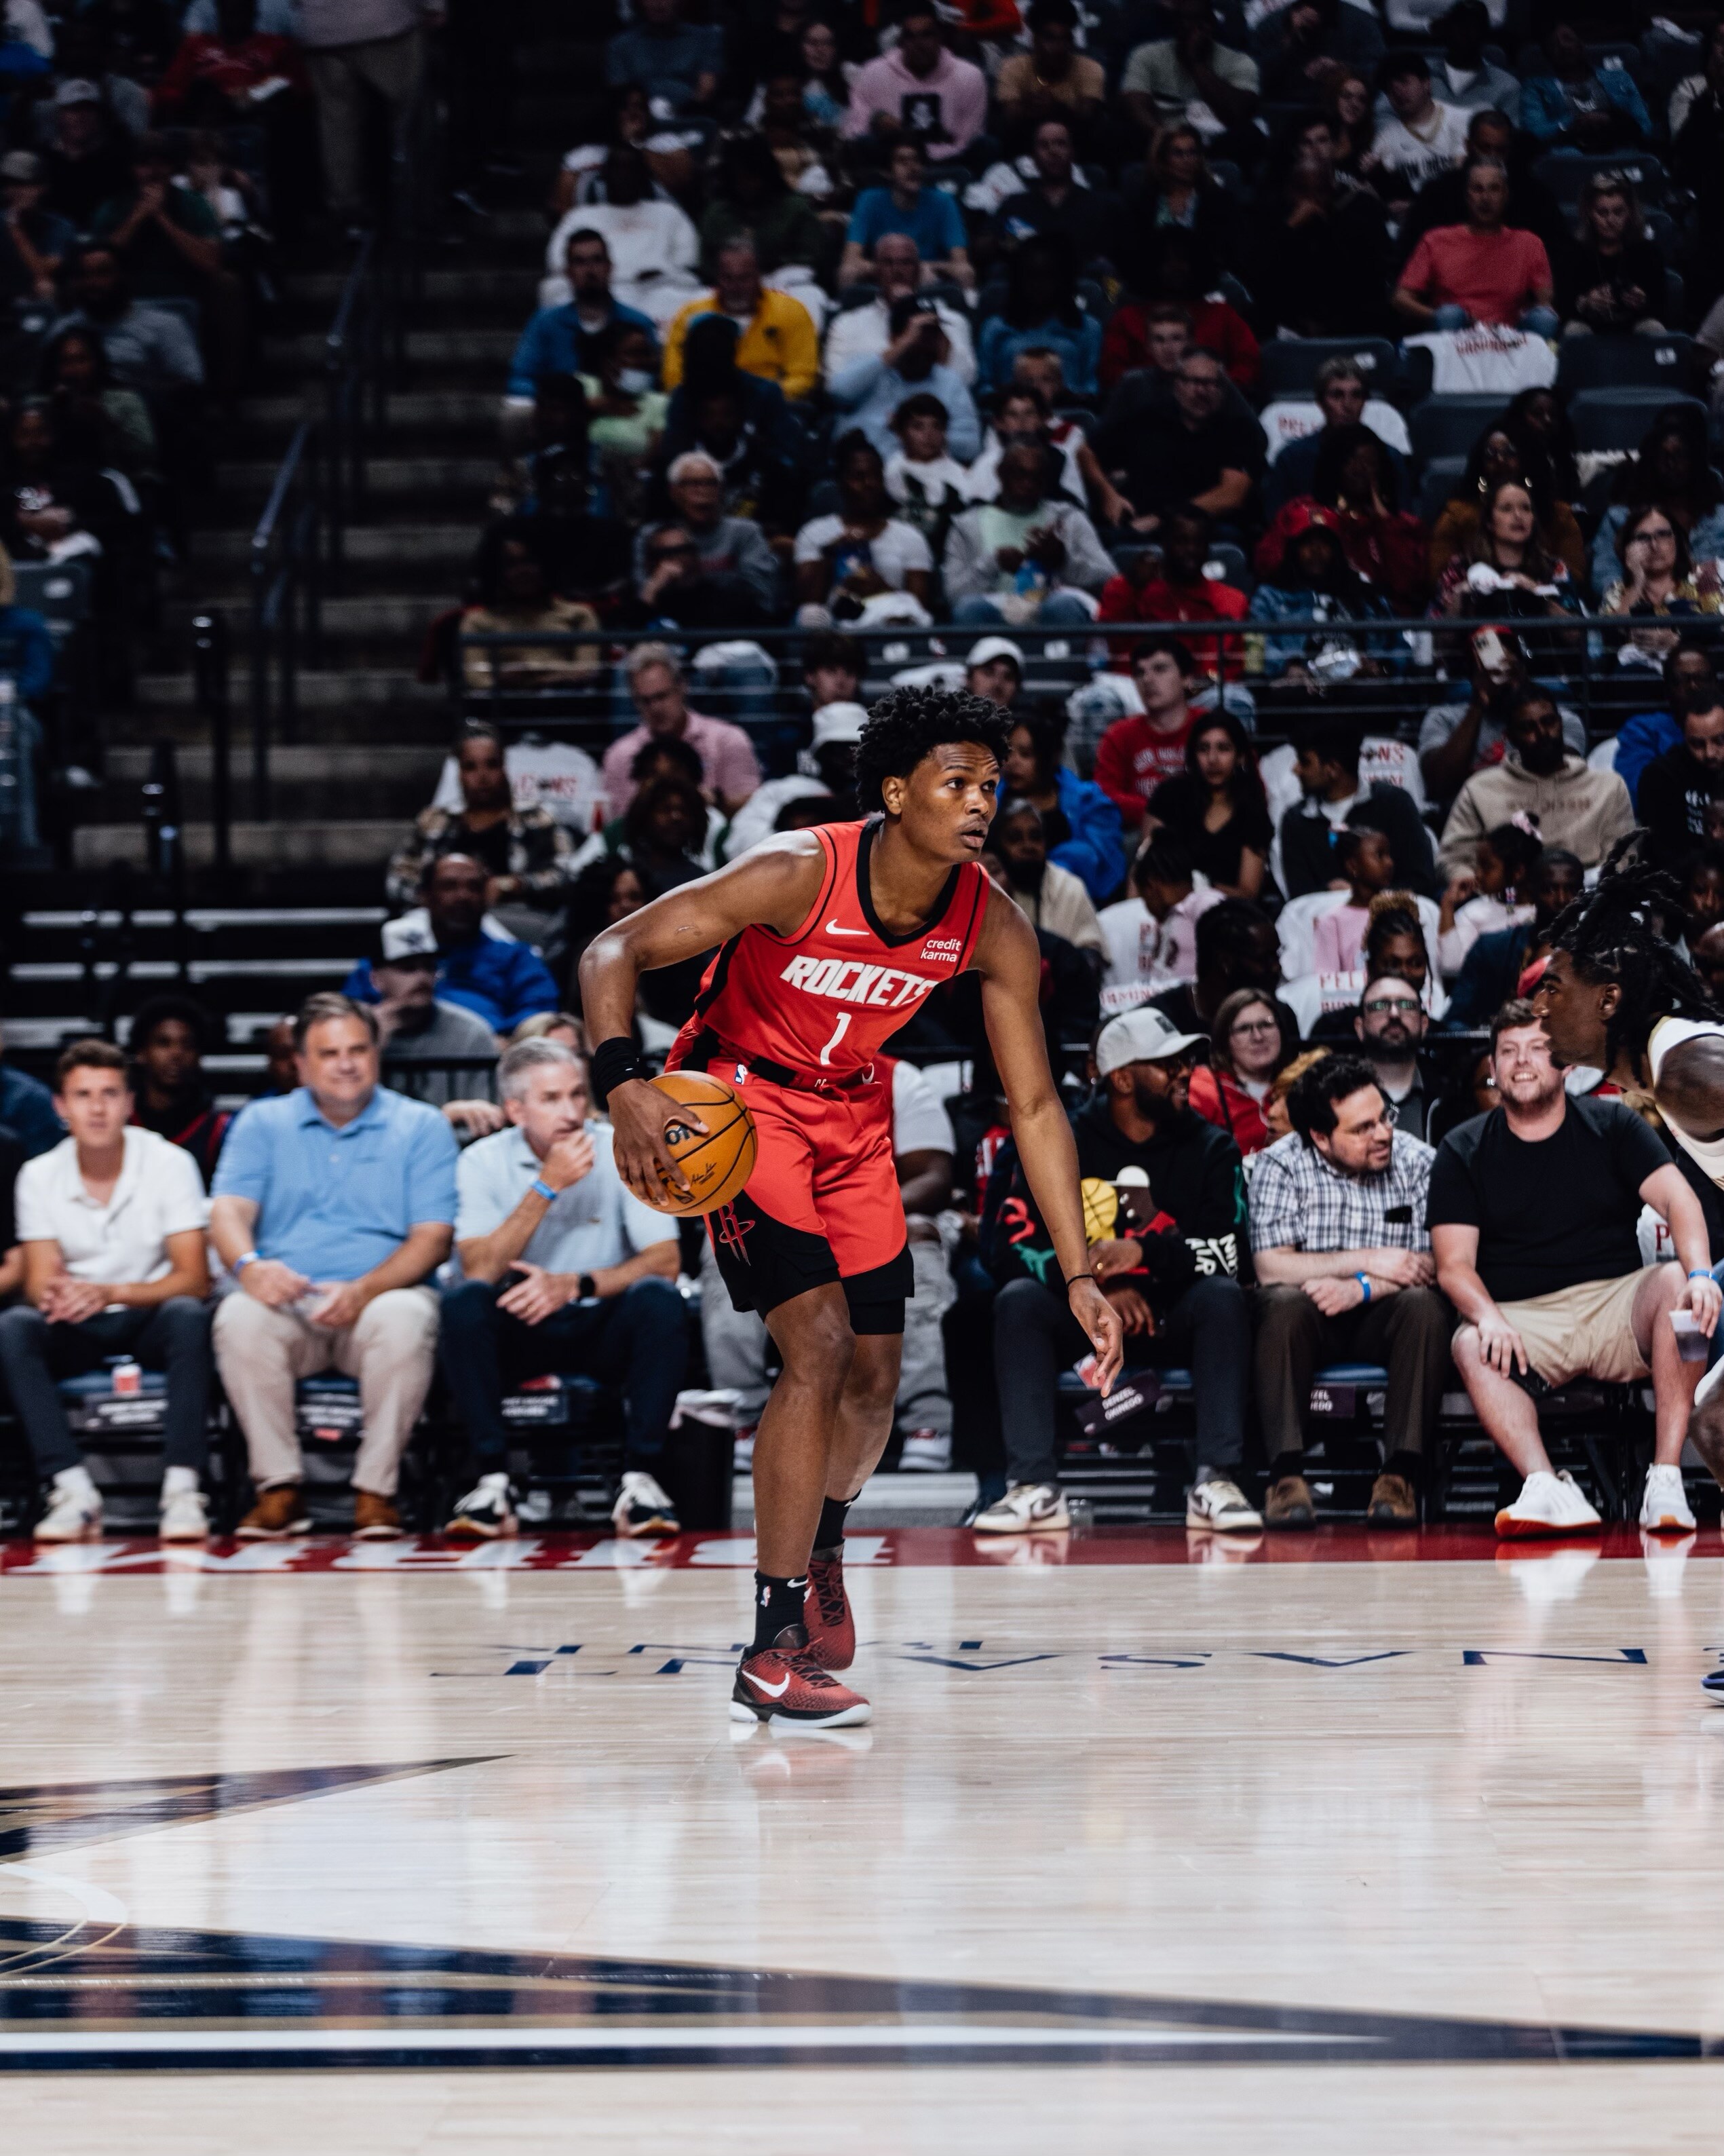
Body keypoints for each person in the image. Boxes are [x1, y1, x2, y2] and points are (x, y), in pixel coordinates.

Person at [579, 686, 1124, 1727]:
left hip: (856, 1119)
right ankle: (772, 1639)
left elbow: (1039, 1104)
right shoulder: (798, 870)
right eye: (955, 783)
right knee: (817, 1344)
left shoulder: (993, 925)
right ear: (893, 791)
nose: (979, 803)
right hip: (740, 1108)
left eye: (990, 785)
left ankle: (820, 1541)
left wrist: (1083, 1270)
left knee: (873, 1379)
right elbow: (614, 950)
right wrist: (623, 1083)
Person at [1430, 1000, 1717, 1538]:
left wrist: (1701, 1273)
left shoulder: (1612, 1122)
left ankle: (1666, 1478)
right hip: (1522, 1318)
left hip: (1613, 1304)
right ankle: (1546, 1486)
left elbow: (1680, 1202)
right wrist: (1487, 1316)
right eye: (1508, 1052)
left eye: (1538, 1049)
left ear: (1564, 1063)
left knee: (1677, 1286)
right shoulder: (1461, 1147)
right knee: (1469, 1340)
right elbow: (1453, 1266)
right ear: (1491, 1068)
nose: (1521, 1063)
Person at [974, 1004, 1257, 1535]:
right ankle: (1033, 1485)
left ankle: (1216, 1478)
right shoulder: (1060, 1141)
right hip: (1083, 1323)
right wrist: (1100, 1284)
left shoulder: (1212, 1146)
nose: (1184, 1073)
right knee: (1016, 1299)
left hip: (1172, 1316)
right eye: (1167, 1063)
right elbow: (1007, 1246)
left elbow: (1233, 1251)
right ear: (1122, 1077)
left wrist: (1145, 1258)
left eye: (1185, 1061)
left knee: (1223, 1295)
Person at [209, 994, 458, 1542]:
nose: (346, 1063)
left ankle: (376, 1492)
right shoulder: (260, 1122)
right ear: (299, 1063)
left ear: (376, 1052)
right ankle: (277, 1488)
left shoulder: (420, 1125)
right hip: (288, 1300)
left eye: (357, 1049)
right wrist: (251, 1267)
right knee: (238, 1315)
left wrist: (366, 1287)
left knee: (405, 1316)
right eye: (329, 1053)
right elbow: (227, 1210)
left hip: (380, 1296)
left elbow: (434, 1238)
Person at [438, 1038, 686, 1542]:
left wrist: (575, 1285)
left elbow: (665, 1260)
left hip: (597, 1318)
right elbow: (479, 1268)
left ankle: (640, 1480)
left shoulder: (622, 1144)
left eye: (577, 1094)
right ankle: (493, 1481)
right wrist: (546, 1186)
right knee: (464, 1304)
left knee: (660, 1300)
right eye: (551, 1099)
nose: (572, 1111)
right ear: (515, 1109)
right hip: (519, 1320)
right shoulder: (481, 1161)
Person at [0, 1039, 212, 1543]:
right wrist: (59, 1295)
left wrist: (110, 1289)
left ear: (130, 1101)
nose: (97, 1108)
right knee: (14, 1327)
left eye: (110, 1093)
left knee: (190, 1315)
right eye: (83, 1094)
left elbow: (194, 1277)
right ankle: (71, 1488)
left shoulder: (170, 1162)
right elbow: (36, 1283)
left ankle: (183, 1488)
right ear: (60, 1106)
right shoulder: (38, 1174)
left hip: (149, 1312)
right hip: (77, 1321)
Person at [1250, 1051, 1448, 1528]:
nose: (1382, 1134)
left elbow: (1433, 1262)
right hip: (1308, 1317)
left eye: (1383, 1117)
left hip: (1382, 1315)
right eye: (1361, 1129)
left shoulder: (1418, 1161)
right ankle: (1285, 1476)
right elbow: (1270, 1265)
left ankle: (1399, 1475)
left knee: (1426, 1306)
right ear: (1319, 1136)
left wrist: (1360, 1287)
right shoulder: (1279, 1164)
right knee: (1279, 1303)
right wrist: (1366, 1260)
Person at [388, 724, 577, 946]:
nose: (482, 776)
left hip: (514, 918)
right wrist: (436, 896)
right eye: (471, 767)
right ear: (459, 772)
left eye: (492, 765)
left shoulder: (537, 817)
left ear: (504, 768)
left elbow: (567, 873)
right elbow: (397, 878)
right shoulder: (435, 821)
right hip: (444, 921)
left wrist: (513, 885)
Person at [347, 856, 560, 1038]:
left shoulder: (517, 958)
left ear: (487, 897)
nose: (463, 896)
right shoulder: (389, 961)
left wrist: (503, 1040)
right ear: (425, 896)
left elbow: (539, 1015)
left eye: (474, 887)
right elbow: (348, 1016)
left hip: (491, 1062)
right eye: (449, 886)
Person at [1438, 690, 1634, 878]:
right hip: (1505, 899)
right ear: (1511, 737)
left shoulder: (1607, 786)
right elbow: (1453, 858)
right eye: (1527, 728)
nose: (1542, 733)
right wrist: (1479, 883)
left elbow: (1623, 857)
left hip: (1589, 895)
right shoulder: (1480, 789)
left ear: (1561, 723)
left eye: (1549, 722)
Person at [1093, 347, 1264, 539]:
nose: (1201, 391)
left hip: (1205, 533)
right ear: (1177, 385)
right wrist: (1107, 493)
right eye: (1193, 382)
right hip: (1137, 530)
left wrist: (1162, 519)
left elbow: (1231, 496)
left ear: (1223, 389)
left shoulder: (1238, 429)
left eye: (1210, 383)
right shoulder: (1146, 420)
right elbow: (1085, 452)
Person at [942, 441, 1115, 629]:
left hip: (1051, 606)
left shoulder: (1069, 518)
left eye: (1037, 476)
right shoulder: (966, 525)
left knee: (1061, 606)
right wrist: (994, 563)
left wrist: (1062, 561)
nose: (1029, 483)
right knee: (969, 610)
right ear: (1000, 473)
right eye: (1020, 474)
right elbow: (954, 596)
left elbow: (1110, 581)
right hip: (995, 611)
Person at [298, 0, 430, 236]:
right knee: (408, 117)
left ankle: (345, 206)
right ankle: (412, 202)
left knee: (336, 125)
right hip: (387, 21)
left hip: (322, 27)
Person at [1418, 623, 1585, 805]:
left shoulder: (1554, 720)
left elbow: (1564, 776)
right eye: (1486, 669)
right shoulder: (1444, 719)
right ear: (1473, 677)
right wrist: (1478, 705)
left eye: (1509, 666)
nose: (1499, 674)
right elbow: (1438, 785)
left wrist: (1519, 692)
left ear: (1523, 669)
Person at [1392, 157, 1558, 335]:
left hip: (1510, 337)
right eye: (1477, 189)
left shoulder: (1528, 243)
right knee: (1450, 314)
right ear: (1466, 196)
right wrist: (1437, 316)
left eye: (1494, 189)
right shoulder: (1436, 240)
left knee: (1545, 318)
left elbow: (1544, 302)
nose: (1486, 198)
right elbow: (1401, 298)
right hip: (1455, 334)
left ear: (1506, 195)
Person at [1278, 719, 1438, 901]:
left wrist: (1368, 898)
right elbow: (1298, 896)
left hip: (1394, 916)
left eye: (1305, 762)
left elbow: (1421, 880)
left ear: (1333, 769)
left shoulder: (1395, 804)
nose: (1295, 770)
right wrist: (1329, 892)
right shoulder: (1295, 820)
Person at [602, 643, 762, 818]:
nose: (655, 708)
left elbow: (751, 808)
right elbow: (619, 823)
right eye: (645, 701)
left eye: (661, 696)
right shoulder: (620, 756)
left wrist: (713, 802)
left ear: (682, 687)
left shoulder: (728, 739)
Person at [1428, 423, 1586, 594]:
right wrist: (1464, 597)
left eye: (1510, 452)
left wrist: (1536, 593)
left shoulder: (1559, 519)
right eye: (1491, 454)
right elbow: (1438, 589)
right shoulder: (1457, 516)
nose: (1500, 460)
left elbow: (1575, 585)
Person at [362, 919, 503, 1109]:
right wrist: (373, 1044)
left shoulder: (471, 1033)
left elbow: (487, 1116)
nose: (422, 978)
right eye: (408, 968)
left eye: (429, 967)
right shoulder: (356, 1035)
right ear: (376, 980)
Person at [506, 231, 658, 404]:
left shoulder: (638, 322)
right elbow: (519, 379)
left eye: (597, 260)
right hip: (563, 412)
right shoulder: (546, 322)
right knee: (516, 415)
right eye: (580, 262)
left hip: (625, 408)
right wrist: (569, 399)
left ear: (610, 267)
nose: (590, 270)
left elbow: (653, 379)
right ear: (568, 272)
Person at [663, 237, 819, 404]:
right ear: (716, 278)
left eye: (744, 278)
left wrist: (759, 398)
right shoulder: (692, 314)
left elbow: (803, 377)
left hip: (771, 405)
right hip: (704, 409)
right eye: (728, 278)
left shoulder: (791, 311)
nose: (735, 287)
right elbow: (673, 377)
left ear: (759, 276)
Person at [1096, 508, 1249, 677]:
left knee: (1234, 698)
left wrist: (1195, 689)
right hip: (1139, 688)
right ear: (1165, 543)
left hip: (1204, 691)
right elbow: (1110, 638)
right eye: (1181, 541)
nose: (1191, 550)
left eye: (1199, 543)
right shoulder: (1134, 589)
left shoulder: (1232, 600)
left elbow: (1237, 666)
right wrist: (1131, 586)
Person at [828, 295, 981, 464]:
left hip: (925, 477)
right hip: (866, 476)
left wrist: (924, 437)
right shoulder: (871, 367)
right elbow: (837, 392)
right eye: (919, 333)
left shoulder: (949, 381)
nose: (928, 343)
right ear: (895, 338)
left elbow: (970, 446)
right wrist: (901, 347)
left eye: (934, 334)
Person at [1143, 707, 1270, 902]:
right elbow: (1145, 866)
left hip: (1225, 916)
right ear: (1194, 756)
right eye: (1204, 749)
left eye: (1223, 749)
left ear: (1240, 757)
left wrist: (1202, 892)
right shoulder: (1169, 795)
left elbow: (1248, 892)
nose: (1213, 759)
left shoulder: (1253, 811)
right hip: (1165, 907)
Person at [839, 1, 988, 166]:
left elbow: (967, 140)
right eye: (911, 36)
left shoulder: (969, 76)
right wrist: (876, 122)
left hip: (949, 163)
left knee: (987, 146)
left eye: (927, 35)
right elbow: (854, 132)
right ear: (901, 40)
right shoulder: (873, 72)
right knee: (866, 144)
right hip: (892, 166)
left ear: (940, 38)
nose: (919, 44)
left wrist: (931, 151)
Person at [1001, 707, 1124, 905]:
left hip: (1076, 902)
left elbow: (1102, 864)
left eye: (1025, 754)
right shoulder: (988, 800)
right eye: (1008, 752)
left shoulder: (1090, 802)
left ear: (1051, 757)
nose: (1012, 762)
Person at [822, 232, 976, 389]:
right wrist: (899, 348)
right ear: (876, 271)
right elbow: (835, 389)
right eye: (888, 263)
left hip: (934, 406)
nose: (897, 270)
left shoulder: (952, 322)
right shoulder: (847, 324)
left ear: (918, 270)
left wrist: (940, 341)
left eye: (906, 263)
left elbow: (967, 380)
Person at [1430, 476, 1582, 625]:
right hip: (1478, 649)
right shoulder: (1461, 568)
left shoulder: (1554, 569)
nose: (1518, 516)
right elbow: (1437, 641)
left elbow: (1577, 636)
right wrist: (1459, 599)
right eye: (1506, 509)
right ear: (1489, 522)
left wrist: (1538, 594)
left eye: (1526, 508)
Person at [1094, 636, 1204, 830]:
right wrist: (1157, 811)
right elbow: (1103, 795)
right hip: (1140, 834)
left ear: (1187, 678)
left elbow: (1248, 788)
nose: (1148, 679)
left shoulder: (1211, 728)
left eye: (1160, 669)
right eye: (1139, 673)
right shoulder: (1119, 735)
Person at [1098, 831, 1221, 1005]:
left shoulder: (1205, 903)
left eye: (1144, 898)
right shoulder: (1172, 920)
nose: (1147, 908)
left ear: (1152, 885)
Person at [976, 235, 1102, 400]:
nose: (1039, 285)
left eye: (1047, 276)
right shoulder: (995, 328)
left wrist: (1069, 397)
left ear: (1062, 280)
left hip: (1069, 414)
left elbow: (1091, 386)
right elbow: (985, 387)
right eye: (1031, 276)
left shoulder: (1087, 327)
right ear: (1019, 280)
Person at [1121, 0, 1260, 149]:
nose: (1192, 28)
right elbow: (1134, 100)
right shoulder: (1146, 55)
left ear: (1212, 24)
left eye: (1200, 22)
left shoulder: (1239, 62)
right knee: (1121, 133)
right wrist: (1160, 134)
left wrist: (1196, 64)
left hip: (1217, 138)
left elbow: (1237, 112)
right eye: (1185, 21)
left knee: (1248, 135)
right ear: (1174, 25)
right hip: (1162, 134)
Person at [126, 994, 230, 1186]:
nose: (176, 1053)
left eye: (187, 1045)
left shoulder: (219, 1129)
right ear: (141, 1053)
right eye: (163, 1043)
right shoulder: (122, 1122)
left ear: (199, 1056)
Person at [840, 134, 970, 288]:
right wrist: (894, 269)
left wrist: (922, 269)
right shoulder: (869, 200)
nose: (912, 168)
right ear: (888, 172)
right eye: (902, 162)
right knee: (847, 272)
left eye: (916, 161)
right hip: (882, 280)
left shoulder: (943, 202)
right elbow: (851, 260)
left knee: (965, 274)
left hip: (929, 281)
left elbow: (961, 264)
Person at [987, 797, 1107, 960]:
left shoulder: (1069, 887)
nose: (1028, 846)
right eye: (1015, 838)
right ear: (999, 846)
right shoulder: (988, 888)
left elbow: (1092, 954)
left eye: (1036, 837)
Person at [994, 117, 1119, 265]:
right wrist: (1007, 241)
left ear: (1073, 152)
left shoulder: (1100, 206)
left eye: (1061, 144)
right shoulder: (1015, 205)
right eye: (1044, 146)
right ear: (1033, 157)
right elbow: (987, 243)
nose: (1053, 151)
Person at [1188, 989, 1292, 1157]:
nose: (1258, 1037)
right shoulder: (1203, 1088)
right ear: (1225, 1040)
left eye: (1266, 1024)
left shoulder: (1300, 1083)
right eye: (1244, 1029)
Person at [1562, 172, 1666, 337]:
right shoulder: (1574, 251)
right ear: (1589, 214)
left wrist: (1643, 302)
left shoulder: (1647, 252)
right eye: (1602, 213)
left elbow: (1663, 306)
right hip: (1589, 325)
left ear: (1630, 214)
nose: (1611, 220)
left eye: (1618, 212)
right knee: (1574, 331)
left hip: (1634, 326)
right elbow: (1561, 306)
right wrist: (1585, 302)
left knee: (1653, 329)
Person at [1519, 23, 1648, 153]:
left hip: (1618, 146)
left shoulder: (1619, 78)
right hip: (1568, 153)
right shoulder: (1536, 87)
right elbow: (1534, 133)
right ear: (1547, 54)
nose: (1563, 46)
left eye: (1568, 39)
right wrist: (1574, 123)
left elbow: (1645, 126)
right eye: (1554, 44)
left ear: (1581, 44)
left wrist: (1609, 120)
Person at [1438, 816, 1541, 977]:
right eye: (1477, 865)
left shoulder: (1544, 910)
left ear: (1518, 872)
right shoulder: (1475, 912)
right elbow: (1450, 965)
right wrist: (1448, 904)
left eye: (1487, 867)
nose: (1478, 874)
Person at [1368, 51, 1469, 212]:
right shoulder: (1385, 138)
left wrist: (1417, 206)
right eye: (1389, 88)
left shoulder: (1462, 120)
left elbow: (1466, 186)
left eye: (1403, 81)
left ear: (1426, 83)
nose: (1397, 92)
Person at [1638, 696, 1724, 868]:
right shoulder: (1660, 777)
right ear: (1684, 737)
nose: (1709, 753)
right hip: (1682, 885)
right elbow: (1666, 856)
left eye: (1719, 741)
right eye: (1698, 744)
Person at [605, 0, 721, 118]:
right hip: (640, 120)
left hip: (690, 118)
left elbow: (706, 89)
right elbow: (620, 92)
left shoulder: (706, 38)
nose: (658, 3)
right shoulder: (620, 45)